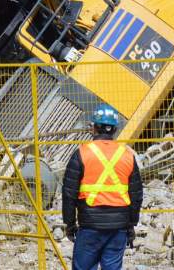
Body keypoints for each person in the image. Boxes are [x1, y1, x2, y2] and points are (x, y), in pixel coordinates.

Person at [61, 105, 143, 270]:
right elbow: (136, 195)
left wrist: (69, 224)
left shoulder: (82, 153)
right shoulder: (127, 155)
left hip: (90, 225)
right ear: (114, 129)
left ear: (95, 127)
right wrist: (131, 224)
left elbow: (69, 193)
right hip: (118, 227)